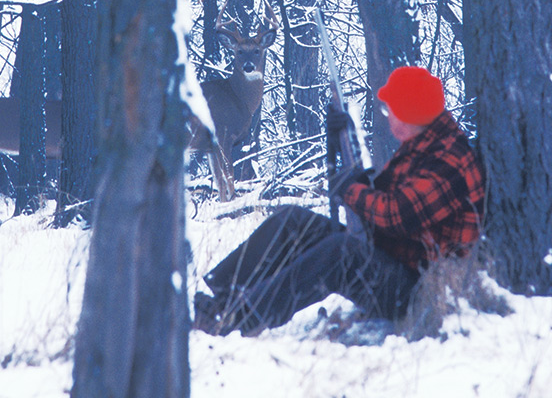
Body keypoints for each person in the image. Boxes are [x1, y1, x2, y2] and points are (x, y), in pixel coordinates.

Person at [193, 66, 486, 337]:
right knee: (294, 221)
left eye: (392, 111)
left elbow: (395, 215)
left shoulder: (448, 158)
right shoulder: (424, 144)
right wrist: (342, 138)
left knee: (341, 251)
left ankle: (240, 318)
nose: (390, 118)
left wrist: (350, 189)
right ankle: (220, 297)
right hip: (391, 261)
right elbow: (382, 195)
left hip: (415, 291)